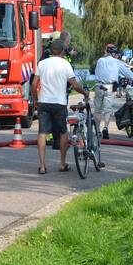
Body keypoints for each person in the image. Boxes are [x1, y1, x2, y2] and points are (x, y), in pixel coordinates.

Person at [31, 39, 88, 174]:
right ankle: (62, 163)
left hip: (44, 102)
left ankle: (42, 166)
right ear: (62, 51)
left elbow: (34, 84)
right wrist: (85, 92)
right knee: (63, 133)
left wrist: (35, 99)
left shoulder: (42, 63)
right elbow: (74, 84)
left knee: (42, 133)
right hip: (59, 103)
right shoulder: (65, 64)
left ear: (51, 51)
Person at [93, 43, 133, 139]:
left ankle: (97, 130)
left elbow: (96, 73)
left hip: (99, 85)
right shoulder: (117, 62)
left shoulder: (100, 60)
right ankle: (105, 128)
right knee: (108, 109)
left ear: (106, 51)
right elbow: (127, 73)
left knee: (98, 110)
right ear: (114, 53)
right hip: (110, 86)